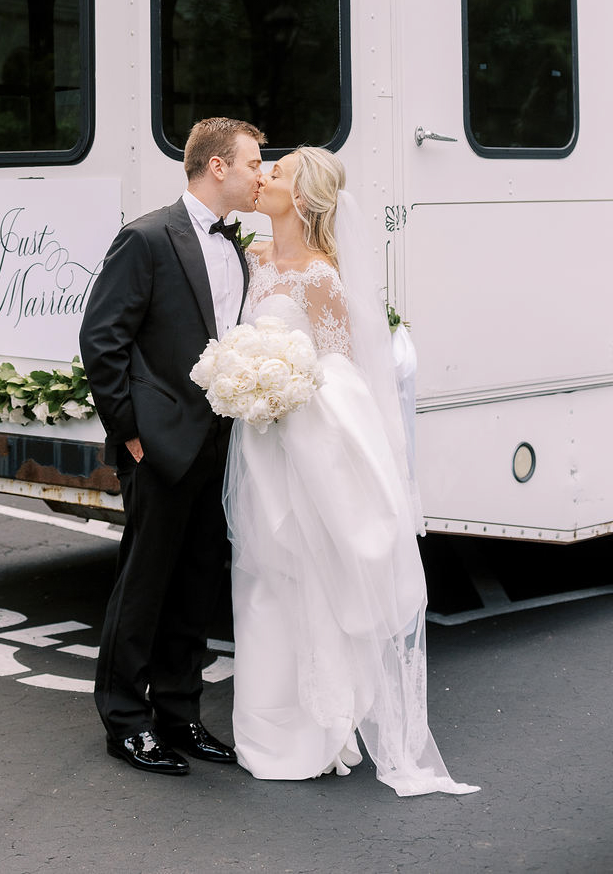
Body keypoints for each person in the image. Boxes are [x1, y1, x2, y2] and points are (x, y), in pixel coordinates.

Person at [225, 146, 479, 797]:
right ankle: (267, 727)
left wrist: (286, 391)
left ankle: (325, 724)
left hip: (307, 443)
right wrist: (246, 382)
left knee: (311, 579)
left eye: (275, 172)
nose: (263, 176)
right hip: (260, 444)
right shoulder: (253, 258)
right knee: (263, 579)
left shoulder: (321, 277)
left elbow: (343, 371)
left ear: (301, 197)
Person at [80, 116, 265, 775]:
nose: (258, 174)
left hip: (218, 442)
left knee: (195, 585)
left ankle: (179, 712)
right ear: (217, 165)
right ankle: (125, 718)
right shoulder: (147, 237)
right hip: (156, 444)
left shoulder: (237, 245)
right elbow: (102, 339)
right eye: (251, 162)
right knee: (145, 583)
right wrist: (129, 432)